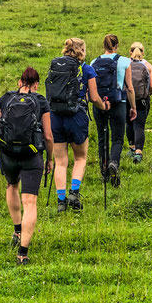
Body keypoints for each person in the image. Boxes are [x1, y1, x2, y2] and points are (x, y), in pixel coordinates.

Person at [0, 67, 53, 265]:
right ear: (36, 85)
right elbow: (48, 135)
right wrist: (50, 158)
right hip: (32, 156)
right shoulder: (40, 101)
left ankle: (16, 230)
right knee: (30, 202)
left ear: (19, 82)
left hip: (7, 155)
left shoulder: (6, 99)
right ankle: (23, 253)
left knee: (12, 186)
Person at [47, 38, 108, 212]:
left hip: (56, 116)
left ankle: (61, 201)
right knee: (80, 158)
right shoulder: (87, 69)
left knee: (60, 162)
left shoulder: (56, 67)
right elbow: (94, 98)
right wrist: (104, 107)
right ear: (81, 50)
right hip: (77, 116)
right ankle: (74, 192)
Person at [91, 34, 137, 188]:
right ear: (117, 45)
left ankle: (104, 171)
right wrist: (133, 107)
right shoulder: (124, 61)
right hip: (118, 102)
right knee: (117, 138)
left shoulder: (94, 62)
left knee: (102, 137)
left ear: (104, 45)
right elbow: (129, 87)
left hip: (100, 103)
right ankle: (114, 162)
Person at [126, 42, 152, 164]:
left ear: (130, 52)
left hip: (127, 98)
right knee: (139, 126)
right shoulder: (148, 66)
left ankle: (132, 147)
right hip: (142, 100)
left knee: (129, 123)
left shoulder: (125, 64)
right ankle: (138, 153)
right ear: (143, 52)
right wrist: (147, 94)